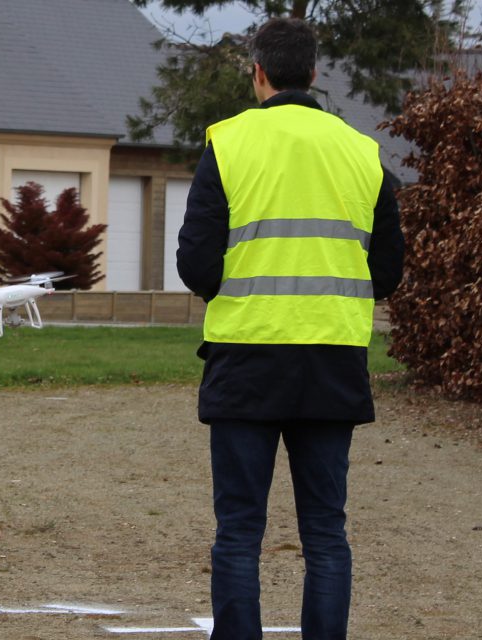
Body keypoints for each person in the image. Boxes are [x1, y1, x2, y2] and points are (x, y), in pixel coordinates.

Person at [176, 17, 405, 640]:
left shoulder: (226, 145)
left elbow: (195, 262)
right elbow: (388, 271)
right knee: (326, 533)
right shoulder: (361, 152)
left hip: (247, 358)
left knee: (240, 532)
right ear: (314, 73)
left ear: (258, 73)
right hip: (332, 361)